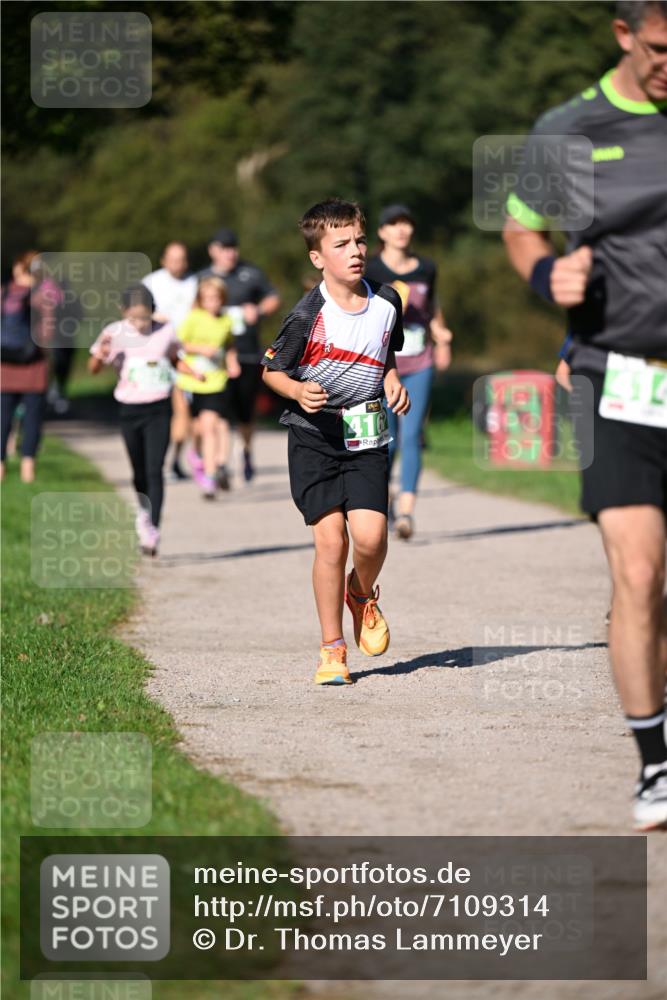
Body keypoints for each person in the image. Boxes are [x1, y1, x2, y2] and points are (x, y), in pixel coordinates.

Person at [503, 0, 667, 830]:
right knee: (637, 572)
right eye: (662, 48)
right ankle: (655, 763)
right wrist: (546, 281)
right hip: (615, 379)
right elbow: (521, 229)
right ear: (624, 35)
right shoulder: (569, 129)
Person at [261, 198, 409, 685]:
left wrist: (390, 379)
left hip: (365, 432)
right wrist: (297, 389)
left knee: (371, 538)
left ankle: (361, 594)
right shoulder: (307, 314)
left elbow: (385, 351)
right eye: (341, 244)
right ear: (317, 257)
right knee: (331, 541)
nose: (355, 251)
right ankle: (332, 650)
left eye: (360, 240)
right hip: (313, 437)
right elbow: (271, 371)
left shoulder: (388, 301)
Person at [88, 284, 201, 556]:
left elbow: (174, 358)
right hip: (129, 409)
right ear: (123, 312)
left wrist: (192, 373)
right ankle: (143, 510)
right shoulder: (114, 333)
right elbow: (93, 369)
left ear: (153, 312)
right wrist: (102, 355)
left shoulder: (165, 331)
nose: (140, 323)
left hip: (159, 408)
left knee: (154, 470)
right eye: (134, 317)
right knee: (139, 472)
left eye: (145, 317)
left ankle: (152, 528)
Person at [365, 204, 454, 539]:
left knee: (412, 435)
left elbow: (433, 309)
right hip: (382, 365)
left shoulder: (427, 267)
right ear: (382, 232)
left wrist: (442, 340)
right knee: (385, 440)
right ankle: (383, 501)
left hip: (420, 362)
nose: (401, 230)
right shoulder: (370, 267)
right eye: (393, 224)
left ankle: (406, 513)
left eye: (406, 224)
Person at [199, 227, 280, 481]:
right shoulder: (202, 279)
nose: (229, 253)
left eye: (233, 248)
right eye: (224, 248)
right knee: (220, 411)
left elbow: (273, 297)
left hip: (246, 353)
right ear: (213, 250)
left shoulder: (250, 274)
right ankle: (221, 462)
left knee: (245, 412)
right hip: (214, 359)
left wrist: (258, 310)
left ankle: (245, 450)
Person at [176, 277, 241, 499]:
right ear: (201, 301)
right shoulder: (194, 318)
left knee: (211, 426)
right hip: (194, 381)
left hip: (217, 381)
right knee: (198, 429)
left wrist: (232, 362)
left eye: (216, 298)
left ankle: (211, 478)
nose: (212, 303)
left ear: (222, 299)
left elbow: (229, 345)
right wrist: (201, 349)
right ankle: (196, 453)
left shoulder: (226, 320)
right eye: (208, 299)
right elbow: (178, 344)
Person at [1, 251, 58, 483]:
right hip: (34, 368)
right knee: (33, 419)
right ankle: (28, 470)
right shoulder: (44, 295)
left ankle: (1, 469)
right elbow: (48, 333)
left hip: (4, 368)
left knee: (2, 419)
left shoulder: (4, 293)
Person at [143, 242, 198, 480]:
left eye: (181, 259)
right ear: (164, 260)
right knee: (158, 410)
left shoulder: (194, 283)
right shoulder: (151, 283)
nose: (177, 263)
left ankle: (174, 460)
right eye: (173, 259)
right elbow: (134, 313)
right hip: (156, 355)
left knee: (183, 410)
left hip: (186, 354)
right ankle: (156, 459)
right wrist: (154, 317)